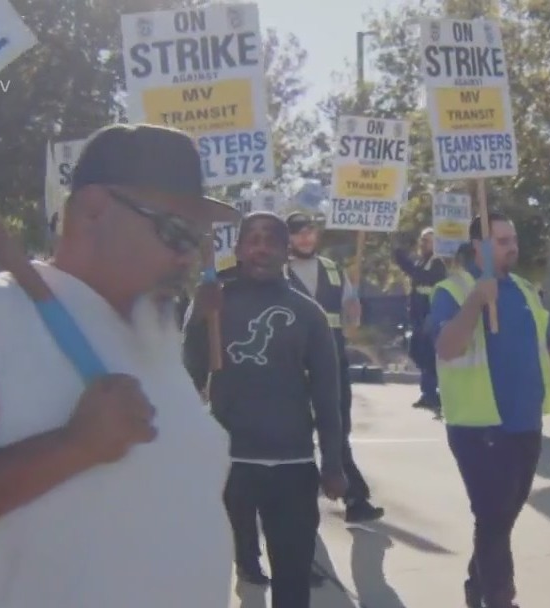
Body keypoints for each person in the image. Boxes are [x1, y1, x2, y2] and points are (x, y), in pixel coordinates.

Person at [0, 124, 241, 607]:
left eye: (199, 237)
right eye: (175, 231)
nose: (188, 254)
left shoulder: (155, 335)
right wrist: (71, 447)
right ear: (92, 210)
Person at [184, 212, 347, 607]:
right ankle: (247, 565)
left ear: (285, 250)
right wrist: (199, 322)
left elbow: (328, 394)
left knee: (292, 583)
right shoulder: (215, 301)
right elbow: (190, 374)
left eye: (270, 240)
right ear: (238, 249)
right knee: (216, 578)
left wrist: (334, 463)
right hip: (230, 463)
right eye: (252, 239)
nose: (260, 248)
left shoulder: (308, 313)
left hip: (292, 465)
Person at [429, 213, 550, 608]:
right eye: (501, 240)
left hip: (524, 421)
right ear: (477, 246)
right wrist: (476, 302)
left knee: (502, 518)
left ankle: (476, 586)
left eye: (513, 239)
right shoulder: (452, 289)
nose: (512, 246)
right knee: (493, 516)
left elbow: (549, 346)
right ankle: (500, 598)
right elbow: (446, 348)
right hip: (479, 426)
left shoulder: (527, 290)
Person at [285, 211, 384, 523]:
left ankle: (354, 497)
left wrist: (355, 312)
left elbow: (350, 320)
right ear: (288, 237)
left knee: (337, 430)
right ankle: (306, 499)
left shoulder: (333, 270)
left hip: (332, 362)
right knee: (295, 434)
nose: (305, 237)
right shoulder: (278, 271)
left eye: (309, 231)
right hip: (292, 366)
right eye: (298, 232)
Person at [393, 227, 448, 410]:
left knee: (430, 357)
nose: (423, 244)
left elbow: (424, 278)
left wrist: (403, 261)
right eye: (422, 240)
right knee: (420, 354)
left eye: (427, 240)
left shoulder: (438, 262)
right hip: (418, 315)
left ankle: (434, 393)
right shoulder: (422, 261)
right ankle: (428, 393)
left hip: (430, 315)